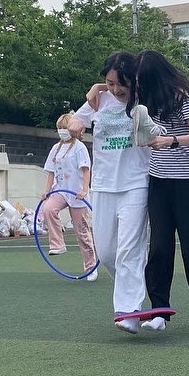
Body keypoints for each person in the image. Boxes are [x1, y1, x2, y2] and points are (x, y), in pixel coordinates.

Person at [67, 51, 162, 334]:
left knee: (128, 250)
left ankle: (128, 310)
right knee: (107, 252)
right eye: (110, 83)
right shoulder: (99, 99)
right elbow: (74, 123)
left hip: (136, 183)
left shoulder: (145, 100)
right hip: (104, 186)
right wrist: (77, 121)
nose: (116, 89)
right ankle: (134, 290)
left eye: (122, 83)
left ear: (134, 80)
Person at [135, 50, 189, 339]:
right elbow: (106, 91)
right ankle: (159, 311)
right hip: (158, 183)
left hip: (187, 184)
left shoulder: (181, 99)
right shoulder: (143, 101)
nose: (138, 84)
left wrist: (171, 140)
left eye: (142, 79)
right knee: (159, 248)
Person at [41, 113, 97, 281]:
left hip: (77, 193)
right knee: (48, 209)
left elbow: (86, 169)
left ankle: (90, 266)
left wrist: (84, 189)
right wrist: (47, 190)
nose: (61, 131)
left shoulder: (79, 147)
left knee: (82, 232)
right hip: (60, 190)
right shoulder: (56, 148)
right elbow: (51, 171)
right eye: (59, 128)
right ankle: (57, 244)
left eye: (64, 128)